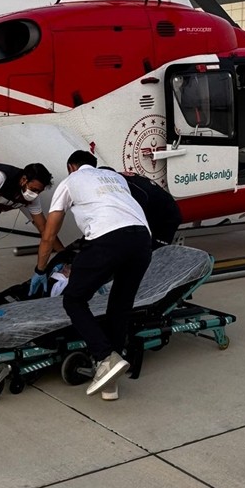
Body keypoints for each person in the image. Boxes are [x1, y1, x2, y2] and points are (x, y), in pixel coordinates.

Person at [33, 150, 152, 401]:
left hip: (107, 238)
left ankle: (105, 356)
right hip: (142, 239)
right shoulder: (116, 179)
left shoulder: (71, 181)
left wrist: (40, 269)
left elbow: (49, 234)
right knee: (120, 305)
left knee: (74, 299)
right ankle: (110, 381)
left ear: (71, 166)